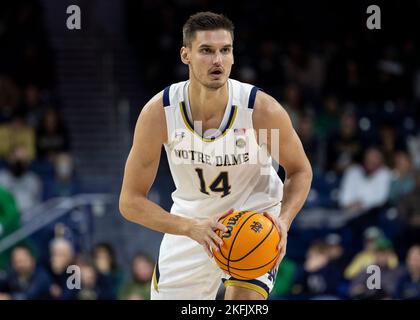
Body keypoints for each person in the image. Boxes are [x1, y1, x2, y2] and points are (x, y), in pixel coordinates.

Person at [119, 12, 313, 300]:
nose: (218, 60)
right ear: (185, 55)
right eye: (207, 51)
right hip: (192, 223)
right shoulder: (160, 114)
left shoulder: (260, 111)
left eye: (225, 50)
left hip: (253, 217)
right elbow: (130, 202)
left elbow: (299, 170)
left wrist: (283, 222)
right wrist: (190, 227)